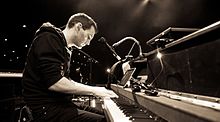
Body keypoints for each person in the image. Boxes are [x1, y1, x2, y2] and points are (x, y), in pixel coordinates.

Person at [22, 13, 118, 122]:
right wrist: (94, 91)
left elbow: (65, 80)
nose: (88, 43)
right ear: (78, 27)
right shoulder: (49, 38)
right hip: (45, 108)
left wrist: (96, 90)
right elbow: (55, 82)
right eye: (88, 37)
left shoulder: (64, 48)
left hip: (60, 104)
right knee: (103, 121)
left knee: (106, 116)